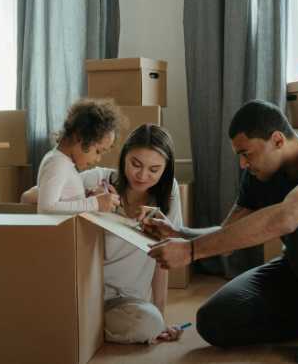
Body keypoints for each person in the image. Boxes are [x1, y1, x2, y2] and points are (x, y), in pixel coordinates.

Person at [146, 100, 298, 364]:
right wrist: (181, 233)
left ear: (277, 140)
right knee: (213, 321)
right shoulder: (259, 175)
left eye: (247, 153)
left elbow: (290, 216)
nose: (242, 164)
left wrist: (191, 252)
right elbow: (228, 235)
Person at [25, 123, 186, 344]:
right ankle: (79, 326)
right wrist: (89, 200)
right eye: (135, 164)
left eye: (154, 170)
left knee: (149, 324)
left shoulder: (169, 195)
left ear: (165, 170)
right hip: (83, 293)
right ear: (123, 158)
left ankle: (78, 328)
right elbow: (29, 197)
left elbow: (163, 259)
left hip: (126, 303)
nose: (142, 175)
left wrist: (161, 317)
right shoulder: (98, 179)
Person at [35, 98, 122, 214]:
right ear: (80, 137)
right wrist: (95, 203)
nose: (98, 159)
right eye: (97, 151)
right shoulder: (57, 163)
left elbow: (64, 201)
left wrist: (86, 197)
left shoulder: (64, 162)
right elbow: (46, 208)